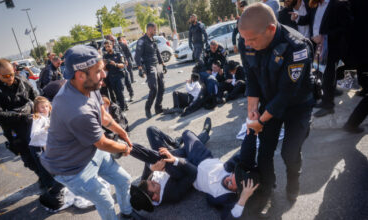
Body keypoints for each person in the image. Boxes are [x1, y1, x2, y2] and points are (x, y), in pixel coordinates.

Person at [40, 45, 140, 220]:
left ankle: (127, 213)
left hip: (91, 152)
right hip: (72, 168)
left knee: (124, 180)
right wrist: (123, 148)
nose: (104, 75)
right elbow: (102, 143)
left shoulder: (89, 86)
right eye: (99, 71)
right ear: (80, 75)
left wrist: (121, 131)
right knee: (106, 201)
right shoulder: (76, 110)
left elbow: (104, 116)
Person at [238, 3, 314, 217]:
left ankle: (293, 181)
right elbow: (251, 77)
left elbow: (286, 95)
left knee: (289, 152)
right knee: (264, 151)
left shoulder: (296, 47)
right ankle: (266, 188)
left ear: (270, 29)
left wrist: (260, 121)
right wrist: (252, 112)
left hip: (297, 105)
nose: (246, 43)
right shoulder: (246, 39)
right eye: (244, 38)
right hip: (269, 102)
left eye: (251, 39)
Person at [129, 118, 260, 219]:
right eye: (153, 184)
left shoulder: (226, 198)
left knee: (152, 131)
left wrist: (152, 168)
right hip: (185, 163)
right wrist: (253, 130)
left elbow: (147, 168)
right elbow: (245, 153)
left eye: (233, 183)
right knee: (172, 149)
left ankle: (130, 147)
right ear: (155, 197)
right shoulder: (172, 194)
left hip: (178, 158)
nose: (230, 178)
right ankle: (127, 147)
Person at [290, 0, 352, 117]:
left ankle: (328, 106)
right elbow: (308, 19)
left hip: (331, 46)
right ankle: (326, 99)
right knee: (321, 73)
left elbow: (346, 26)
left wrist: (324, 37)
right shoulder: (315, 5)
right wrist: (298, 17)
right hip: (317, 46)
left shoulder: (338, 5)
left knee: (328, 74)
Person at [0, 59, 38, 175]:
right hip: (14, 129)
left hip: (33, 123)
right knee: (28, 159)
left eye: (12, 74)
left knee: (41, 154)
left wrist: (40, 109)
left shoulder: (22, 80)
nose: (10, 78)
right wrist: (18, 115)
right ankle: (43, 178)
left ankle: (50, 181)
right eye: (6, 76)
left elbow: (35, 97)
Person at [134, 23, 167, 119]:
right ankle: (147, 108)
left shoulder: (153, 40)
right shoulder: (141, 41)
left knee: (162, 87)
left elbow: (157, 53)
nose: (155, 31)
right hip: (149, 66)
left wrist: (163, 65)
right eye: (154, 29)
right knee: (154, 88)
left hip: (157, 66)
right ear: (149, 29)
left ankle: (158, 107)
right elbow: (137, 56)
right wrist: (140, 69)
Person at [29, 96, 57, 189]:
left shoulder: (47, 117)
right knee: (44, 169)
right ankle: (50, 190)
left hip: (46, 146)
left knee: (51, 167)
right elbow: (33, 134)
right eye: (42, 107)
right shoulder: (38, 118)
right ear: (37, 108)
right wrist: (45, 129)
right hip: (37, 148)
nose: (45, 109)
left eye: (46, 106)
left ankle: (54, 186)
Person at [103, 40, 127, 111]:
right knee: (116, 93)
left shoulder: (118, 54)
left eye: (108, 46)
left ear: (112, 45)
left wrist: (115, 64)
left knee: (120, 92)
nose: (107, 48)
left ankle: (123, 108)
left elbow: (123, 65)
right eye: (106, 47)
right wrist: (103, 65)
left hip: (119, 75)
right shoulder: (105, 56)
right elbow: (106, 69)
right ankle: (123, 105)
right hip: (111, 77)